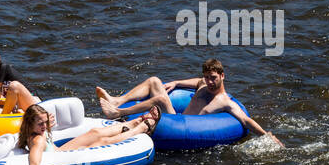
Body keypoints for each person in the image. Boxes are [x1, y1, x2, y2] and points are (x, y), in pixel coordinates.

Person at [94, 58, 281, 144]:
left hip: (177, 124)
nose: (209, 81)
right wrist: (176, 82)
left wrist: (267, 135)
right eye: (207, 77)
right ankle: (117, 101)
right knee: (154, 81)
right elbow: (196, 81)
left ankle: (118, 113)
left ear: (223, 76)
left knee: (159, 99)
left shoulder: (224, 101)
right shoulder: (203, 85)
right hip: (177, 116)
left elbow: (246, 121)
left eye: (213, 77)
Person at [18, 103, 160, 165]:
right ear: (31, 124)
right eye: (41, 123)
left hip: (61, 151)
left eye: (45, 122)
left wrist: (45, 123)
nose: (45, 126)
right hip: (64, 159)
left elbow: (43, 129)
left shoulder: (37, 131)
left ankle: (137, 120)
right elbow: (35, 163)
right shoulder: (37, 140)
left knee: (95, 132)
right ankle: (141, 128)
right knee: (102, 142)